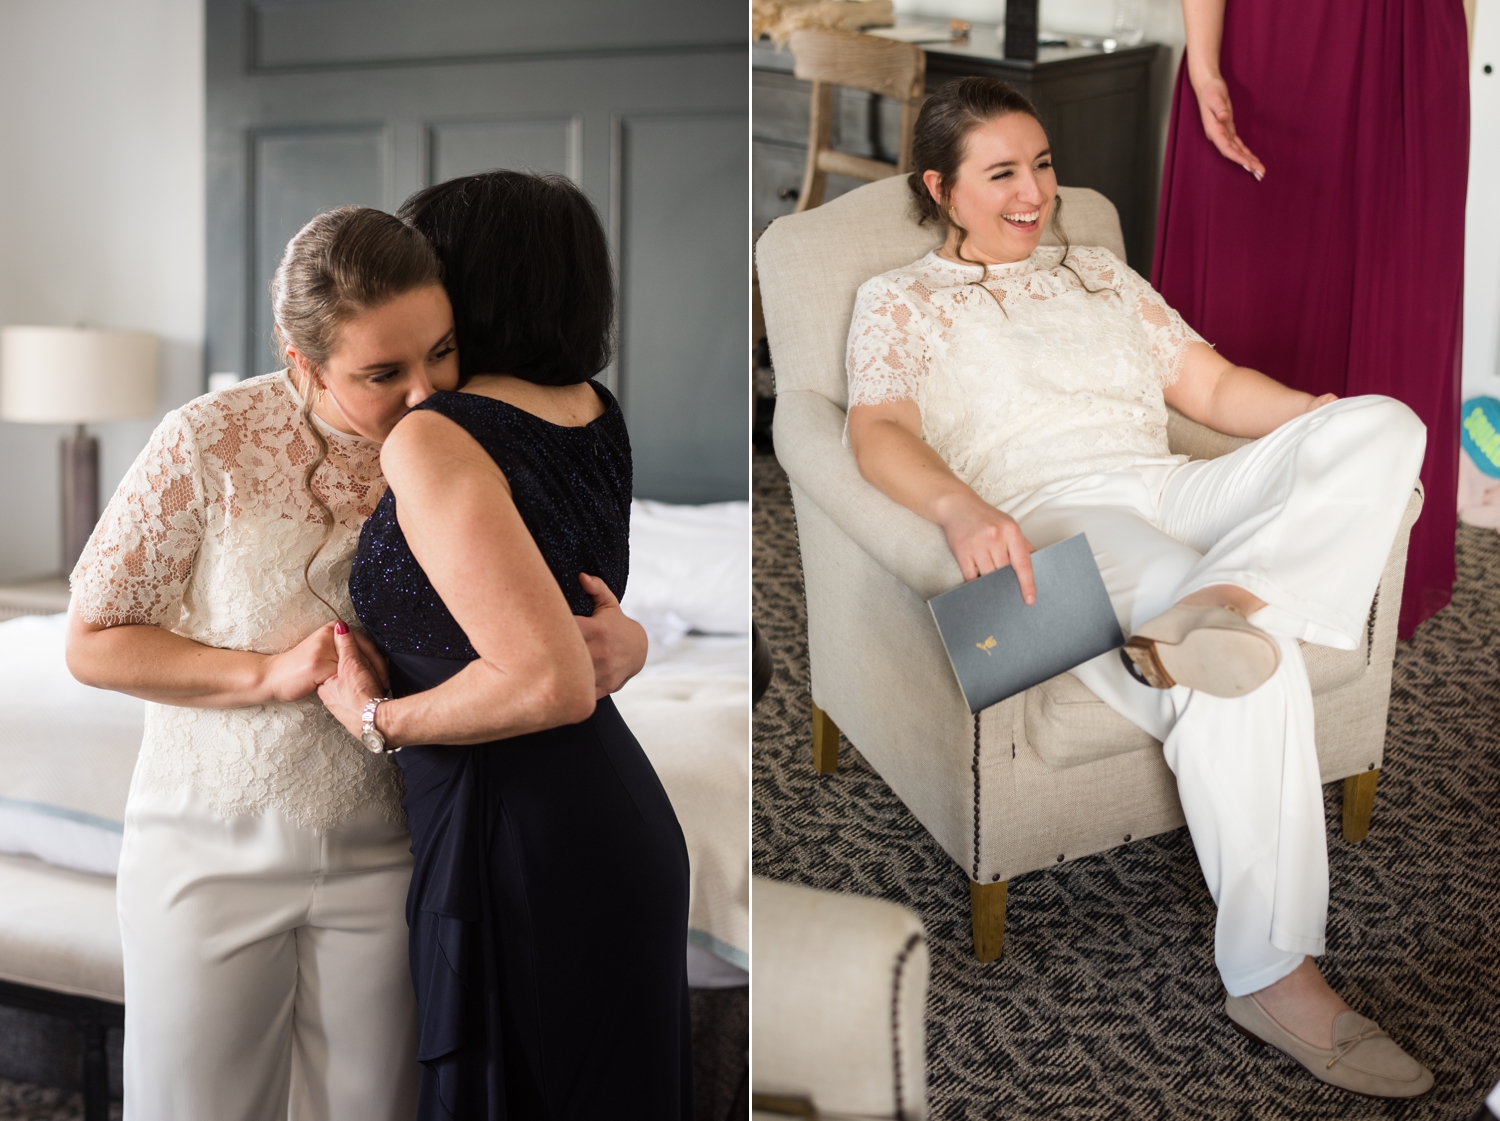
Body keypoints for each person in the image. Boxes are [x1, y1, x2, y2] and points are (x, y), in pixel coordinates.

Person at [844, 77, 1431, 1097]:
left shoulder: (1101, 275)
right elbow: (876, 430)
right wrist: (957, 508)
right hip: (1068, 515)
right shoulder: (901, 300)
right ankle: (1274, 972)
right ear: (943, 188)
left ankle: (1230, 598)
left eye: (1042, 165)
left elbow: (1204, 386)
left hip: (1178, 483)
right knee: (1250, 675)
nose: (1034, 192)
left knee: (1385, 423)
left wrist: (1312, 421)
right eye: (1002, 174)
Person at [64, 205, 645, 1120]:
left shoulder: (459, 436)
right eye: (382, 373)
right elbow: (91, 640)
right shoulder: (207, 439)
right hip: (211, 837)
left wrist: (629, 637)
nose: (423, 392)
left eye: (442, 352)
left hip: (394, 840)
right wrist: (264, 675)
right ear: (303, 360)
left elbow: (533, 612)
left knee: (374, 1107)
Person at [316, 171, 693, 1120]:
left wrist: (376, 717)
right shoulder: (591, 407)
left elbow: (549, 680)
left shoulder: (437, 434)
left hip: (522, 834)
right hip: (607, 814)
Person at [1152, 0, 1469, 639]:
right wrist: (1207, 68)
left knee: (1394, 292)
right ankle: (1230, 574)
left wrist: (1443, 58)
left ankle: (1365, 580)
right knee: (1246, 293)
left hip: (1407, 44)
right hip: (1265, 49)